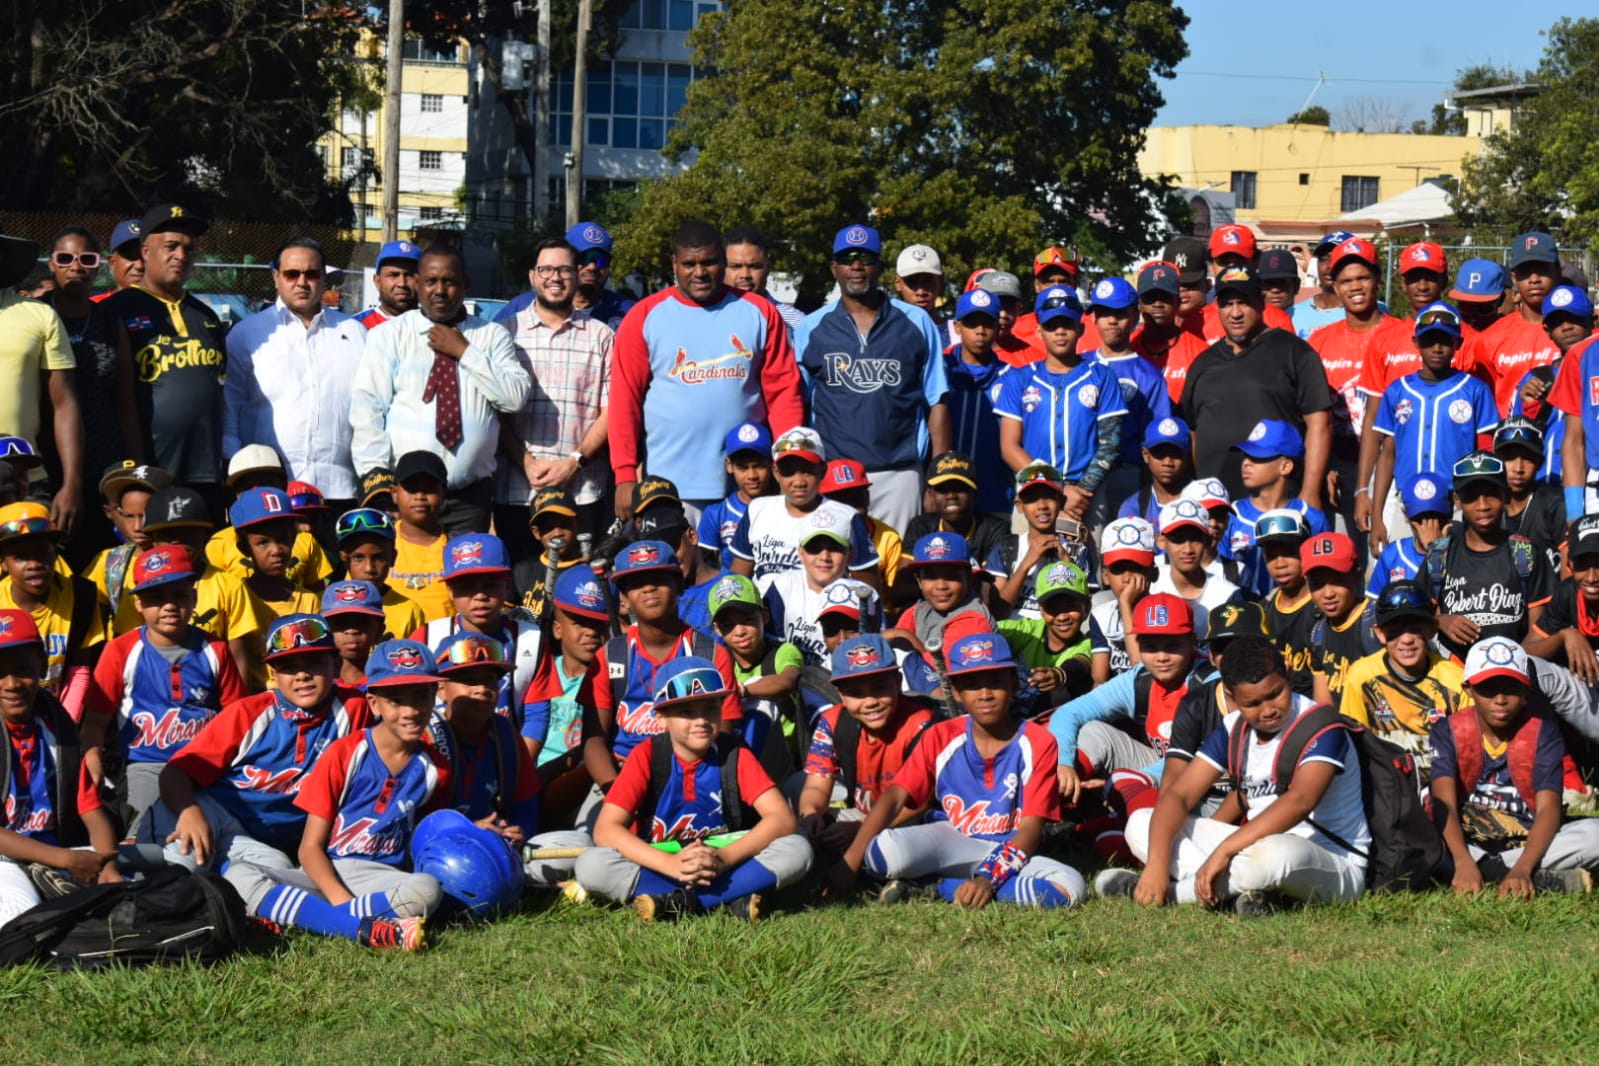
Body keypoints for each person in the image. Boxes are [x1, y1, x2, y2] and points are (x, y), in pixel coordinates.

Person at [1111, 636, 1370, 911]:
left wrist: (1223, 850)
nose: (1268, 710)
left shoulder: (1323, 725)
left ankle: (1175, 893)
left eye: (1275, 694)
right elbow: (1180, 795)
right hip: (1252, 845)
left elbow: (1300, 800)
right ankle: (1238, 891)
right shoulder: (1233, 727)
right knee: (1141, 822)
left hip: (1333, 861)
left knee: (1276, 855)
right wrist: (1157, 864)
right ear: (1232, 696)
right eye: (1253, 703)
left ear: (1288, 676)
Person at [832, 632, 1086, 908]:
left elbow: (1031, 828)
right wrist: (850, 861)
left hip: (1013, 847)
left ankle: (938, 886)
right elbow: (895, 796)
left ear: (1014, 683)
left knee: (1069, 888)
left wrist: (988, 879)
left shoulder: (1038, 740)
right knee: (881, 852)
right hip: (953, 840)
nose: (985, 694)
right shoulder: (941, 735)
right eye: (971, 685)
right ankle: (960, 883)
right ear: (955, 691)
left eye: (995, 682)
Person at [224, 638, 447, 951]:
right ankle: (363, 928)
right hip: (324, 873)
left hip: (381, 878)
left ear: (435, 696)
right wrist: (341, 900)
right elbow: (309, 849)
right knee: (239, 874)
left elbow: (426, 839)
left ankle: (311, 918)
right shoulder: (345, 753)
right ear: (374, 704)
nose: (410, 711)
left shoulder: (435, 768)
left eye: (421, 697)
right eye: (396, 701)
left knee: (427, 889)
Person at [574, 656, 811, 921]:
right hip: (663, 862)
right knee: (591, 865)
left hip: (723, 861)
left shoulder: (734, 753)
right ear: (661, 718)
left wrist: (723, 858)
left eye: (710, 708)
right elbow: (605, 830)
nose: (701, 720)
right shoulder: (646, 755)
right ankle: (728, 898)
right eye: (687, 712)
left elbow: (781, 818)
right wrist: (671, 864)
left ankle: (674, 902)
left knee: (797, 848)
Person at [145, 615, 371, 881]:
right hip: (209, 811)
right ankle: (120, 871)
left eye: (314, 662)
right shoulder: (248, 712)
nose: (302, 675)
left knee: (276, 873)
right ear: (273, 674)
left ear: (336, 665)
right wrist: (190, 813)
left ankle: (215, 874)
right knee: (181, 867)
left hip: (254, 841)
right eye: (289, 667)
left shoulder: (353, 709)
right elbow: (175, 772)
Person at [610, 220, 803, 522]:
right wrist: (624, 474)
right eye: (689, 264)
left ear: (723, 261)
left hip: (747, 484)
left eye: (709, 262)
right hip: (668, 487)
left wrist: (788, 460)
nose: (699, 272)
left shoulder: (759, 312)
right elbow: (625, 401)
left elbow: (783, 394)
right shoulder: (643, 317)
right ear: (674, 264)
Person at [349, 245, 530, 535]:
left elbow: (515, 398)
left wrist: (465, 352)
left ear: (465, 283)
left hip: (469, 499)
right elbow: (368, 407)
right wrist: (377, 476)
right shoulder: (390, 335)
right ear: (418, 284)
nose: (440, 291)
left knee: (467, 566)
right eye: (431, 281)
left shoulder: (491, 336)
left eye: (449, 281)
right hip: (407, 496)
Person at [795, 223, 950, 531]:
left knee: (899, 560)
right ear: (834, 268)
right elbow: (798, 404)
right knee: (835, 557)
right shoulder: (810, 328)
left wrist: (938, 479)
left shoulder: (916, 321)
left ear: (879, 266)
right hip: (834, 471)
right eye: (847, 258)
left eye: (865, 258)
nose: (856, 266)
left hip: (899, 471)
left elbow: (938, 401)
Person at [82, 546, 245, 827]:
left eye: (179, 595)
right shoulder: (121, 650)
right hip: (145, 763)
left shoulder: (215, 649)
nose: (169, 605)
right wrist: (92, 756)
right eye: (156, 598)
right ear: (138, 605)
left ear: (194, 598)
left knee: (218, 828)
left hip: (206, 764)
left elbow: (236, 717)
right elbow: (95, 720)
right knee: (146, 832)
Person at [1431, 637, 1599, 896]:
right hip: (1468, 841)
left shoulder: (1543, 731)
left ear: (1525, 692)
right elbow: (1445, 805)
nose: (1500, 699)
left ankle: (1492, 871)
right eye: (1488, 688)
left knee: (1593, 835)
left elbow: (1549, 809)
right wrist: (1463, 860)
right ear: (1468, 689)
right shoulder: (1449, 730)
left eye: (1510, 688)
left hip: (1526, 841)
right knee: (1423, 836)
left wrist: (1522, 868)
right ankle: (1497, 871)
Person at [580, 541, 742, 804]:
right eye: (636, 584)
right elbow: (593, 740)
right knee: (595, 830)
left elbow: (722, 737)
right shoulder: (610, 657)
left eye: (659, 579)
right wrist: (619, 792)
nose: (648, 588)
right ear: (624, 598)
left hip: (696, 776)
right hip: (620, 778)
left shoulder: (710, 655)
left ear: (679, 585)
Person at [224, 237, 366, 511]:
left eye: (312, 274)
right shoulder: (247, 335)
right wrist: (233, 469)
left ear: (324, 278)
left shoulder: (355, 333)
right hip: (267, 491)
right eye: (292, 274)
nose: (302, 282)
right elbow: (230, 407)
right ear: (276, 277)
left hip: (339, 489)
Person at [0, 610, 122, 928]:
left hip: (58, 850)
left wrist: (108, 866)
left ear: (42, 666)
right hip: (6, 860)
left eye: (23, 669)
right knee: (19, 919)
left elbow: (89, 807)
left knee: (142, 878)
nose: (11, 684)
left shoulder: (56, 726)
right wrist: (65, 860)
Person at [102, 205, 226, 512]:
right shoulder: (115, 311)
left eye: (189, 248)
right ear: (145, 252)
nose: (181, 256)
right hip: (150, 469)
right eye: (171, 246)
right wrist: (134, 465)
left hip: (206, 470)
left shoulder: (206, 315)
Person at [1182, 265, 1333, 507]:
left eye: (1243, 302)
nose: (1235, 313)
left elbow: (1320, 423)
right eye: (1227, 304)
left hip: (1277, 505)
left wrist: (1310, 491)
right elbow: (1193, 432)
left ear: (1262, 302)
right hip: (1214, 508)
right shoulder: (1202, 363)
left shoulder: (1295, 353)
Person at [498, 236, 613, 555]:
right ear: (532, 276)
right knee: (520, 584)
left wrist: (573, 462)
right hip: (518, 490)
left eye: (564, 269)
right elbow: (493, 412)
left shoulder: (602, 336)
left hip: (582, 491)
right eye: (546, 269)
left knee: (579, 582)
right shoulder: (505, 332)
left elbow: (611, 411)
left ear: (576, 275)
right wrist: (525, 462)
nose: (555, 277)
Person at [1053, 593, 1213, 812]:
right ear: (1138, 644)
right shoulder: (1141, 677)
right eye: (1151, 646)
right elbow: (1069, 713)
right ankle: (1059, 801)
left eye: (1172, 645)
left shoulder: (1210, 682)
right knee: (1092, 731)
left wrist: (1133, 780)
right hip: (1159, 765)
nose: (1161, 656)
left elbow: (1202, 759)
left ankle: (1114, 819)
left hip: (1205, 787)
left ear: (1192, 641)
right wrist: (1063, 763)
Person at [797, 634, 934, 882]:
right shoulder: (832, 721)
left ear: (898, 682)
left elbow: (921, 804)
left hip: (910, 821)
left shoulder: (922, 723)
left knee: (893, 851)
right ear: (841, 695)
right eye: (856, 693)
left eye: (880, 688)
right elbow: (816, 786)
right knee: (797, 821)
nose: (870, 702)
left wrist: (859, 831)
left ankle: (894, 875)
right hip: (863, 814)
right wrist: (812, 814)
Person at [41, 226, 141, 562]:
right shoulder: (37, 315)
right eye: (65, 258)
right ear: (51, 264)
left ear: (99, 266)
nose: (76, 267)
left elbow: (125, 403)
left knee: (101, 557)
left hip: (103, 460)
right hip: (47, 462)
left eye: (86, 259)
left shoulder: (109, 321)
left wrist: (135, 470)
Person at [1368, 304, 1498, 553]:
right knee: (1406, 566)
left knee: (1455, 567)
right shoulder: (1398, 389)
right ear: (1416, 342)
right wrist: (1377, 518)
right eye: (1429, 340)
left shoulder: (1475, 389)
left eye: (1445, 341)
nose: (1437, 348)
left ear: (1458, 343)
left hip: (1457, 501)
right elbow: (1387, 454)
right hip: (1406, 503)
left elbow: (1485, 452)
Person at [995, 285, 1127, 526]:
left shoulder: (1102, 376)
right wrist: (1058, 488)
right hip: (1032, 492)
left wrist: (1079, 494)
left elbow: (1110, 444)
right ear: (1039, 331)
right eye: (1051, 325)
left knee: (1088, 552)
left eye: (1067, 324)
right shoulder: (1019, 378)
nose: (1060, 332)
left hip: (1085, 496)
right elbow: (1009, 447)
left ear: (1081, 328)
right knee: (1028, 550)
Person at [1417, 452, 1553, 661]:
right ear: (1457, 500)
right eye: (1471, 496)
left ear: (1505, 494)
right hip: (1453, 672)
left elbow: (1539, 631)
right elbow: (1415, 615)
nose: (1483, 505)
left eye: (1491, 494)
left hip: (1511, 671)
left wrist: (1508, 663)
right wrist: (1440, 620)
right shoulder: (1439, 554)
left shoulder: (1526, 553)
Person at [412, 534, 545, 727]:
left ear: (507, 585)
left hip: (509, 742)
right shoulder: (426, 638)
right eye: (467, 586)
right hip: (440, 743)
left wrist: (515, 748)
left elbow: (537, 715)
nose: (480, 595)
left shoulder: (531, 639)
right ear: (450, 590)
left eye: (491, 584)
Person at [727, 427, 878, 592]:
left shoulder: (846, 516)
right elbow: (739, 574)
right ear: (776, 472)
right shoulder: (757, 509)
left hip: (822, 606)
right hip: (764, 607)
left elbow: (867, 584)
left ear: (822, 471)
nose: (798, 482)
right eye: (788, 472)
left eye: (807, 471)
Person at [1339, 580, 1461, 777]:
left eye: (1416, 629)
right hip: (1385, 785)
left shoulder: (1454, 679)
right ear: (1380, 634)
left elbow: (1467, 747)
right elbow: (1354, 742)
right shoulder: (1361, 676)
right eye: (1395, 631)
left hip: (1441, 781)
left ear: (1432, 629)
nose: (1406, 639)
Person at [0, 503, 105, 718]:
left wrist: (64, 724)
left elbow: (79, 671)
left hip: (58, 712)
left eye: (43, 552)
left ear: (56, 553)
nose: (34, 564)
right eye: (20, 556)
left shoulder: (82, 596)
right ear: (3, 563)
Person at [1086, 277, 1171, 519]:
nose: (1112, 320)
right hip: (1079, 474)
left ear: (1135, 315)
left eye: (1120, 313)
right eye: (1104, 313)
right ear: (1094, 318)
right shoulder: (1079, 365)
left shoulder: (1149, 376)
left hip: (1126, 475)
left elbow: (1156, 440)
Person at [1223, 419, 1331, 597]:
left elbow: (1324, 574)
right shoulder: (1229, 515)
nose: (1246, 463)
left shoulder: (1312, 518)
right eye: (1245, 456)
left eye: (1258, 457)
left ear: (1286, 466)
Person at [942, 289, 1013, 515]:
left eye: (988, 323)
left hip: (997, 496)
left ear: (997, 327)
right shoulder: (940, 371)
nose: (980, 331)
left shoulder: (1012, 378)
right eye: (972, 323)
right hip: (946, 496)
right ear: (957, 327)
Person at [495, 221, 636, 331]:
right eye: (584, 258)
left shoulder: (629, 313)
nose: (592, 267)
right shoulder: (521, 308)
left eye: (601, 260)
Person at [1478, 231, 1561, 416]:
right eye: (1525, 272)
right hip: (1509, 432)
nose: (1534, 279)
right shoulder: (1490, 338)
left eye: (1542, 269)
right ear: (1514, 278)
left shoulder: (1574, 331)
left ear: (1558, 272)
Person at [83, 460, 172, 622]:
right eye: (129, 516)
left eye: (145, 516)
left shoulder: (184, 557)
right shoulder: (109, 562)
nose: (137, 527)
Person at [1151, 498, 1242, 650]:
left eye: (1196, 539)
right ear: (1161, 541)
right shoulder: (1151, 585)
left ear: (1208, 540)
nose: (1188, 549)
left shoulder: (1228, 594)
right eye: (1178, 539)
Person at [1301, 532, 1378, 708]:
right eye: (1317, 584)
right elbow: (1324, 707)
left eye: (1337, 581)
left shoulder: (1376, 623)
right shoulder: (1318, 633)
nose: (1328, 594)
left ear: (1357, 575)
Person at [333, 507, 427, 640]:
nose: (369, 568)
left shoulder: (409, 610)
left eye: (378, 557)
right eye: (358, 557)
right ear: (344, 559)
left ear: (393, 558)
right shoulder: (331, 606)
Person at [384, 451, 454, 622]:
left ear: (444, 494)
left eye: (429, 489)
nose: (420, 497)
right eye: (411, 489)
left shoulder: (456, 549)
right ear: (394, 493)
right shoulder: (379, 544)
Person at [697, 422, 774, 572]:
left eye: (759, 466)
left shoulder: (783, 508)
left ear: (771, 464)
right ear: (729, 465)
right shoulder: (716, 514)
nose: (752, 475)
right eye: (743, 467)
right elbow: (706, 571)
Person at [1090, 517, 1157, 683]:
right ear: (1105, 576)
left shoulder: (1162, 612)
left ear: (1153, 573)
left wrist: (1125, 605)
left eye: (1136, 568)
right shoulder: (1102, 615)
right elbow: (1099, 677)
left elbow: (1141, 670)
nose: (1127, 578)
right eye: (1118, 569)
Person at [1132, 261, 1208, 404]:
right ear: (1139, 304)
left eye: (1165, 297)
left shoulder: (1200, 352)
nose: (1158, 304)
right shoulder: (1128, 348)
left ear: (1178, 302)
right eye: (1150, 298)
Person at [1494, 417, 1565, 570]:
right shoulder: (1487, 506)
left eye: (1527, 458)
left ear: (1539, 462)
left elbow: (1569, 563)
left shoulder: (1554, 505)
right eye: (1510, 457)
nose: (1518, 468)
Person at [1367, 472, 1449, 599]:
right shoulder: (1393, 554)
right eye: (1420, 518)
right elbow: (1373, 604)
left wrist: (1436, 553)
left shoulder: (1458, 551)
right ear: (1406, 515)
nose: (1428, 526)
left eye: (1435, 516)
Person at [724, 226, 805, 333]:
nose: (745, 275)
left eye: (754, 266)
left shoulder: (796, 324)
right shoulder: (704, 317)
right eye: (736, 266)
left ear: (768, 268)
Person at [1117, 416, 1192, 527]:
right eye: (1160, 454)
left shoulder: (1204, 500)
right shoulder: (1134, 506)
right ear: (1145, 455)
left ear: (1187, 456)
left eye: (1176, 454)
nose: (1168, 462)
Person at [1289, 231, 1355, 339]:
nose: (1329, 266)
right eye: (1324, 259)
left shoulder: (1373, 312)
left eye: (1338, 259)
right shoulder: (1293, 314)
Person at [321, 580, 386, 686]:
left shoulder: (387, 684)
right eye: (340, 623)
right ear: (324, 630)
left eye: (362, 622)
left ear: (379, 630)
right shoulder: (317, 684)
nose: (352, 631)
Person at [353, 240, 420, 330]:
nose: (402, 283)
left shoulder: (435, 326)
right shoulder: (356, 327)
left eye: (410, 275)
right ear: (377, 281)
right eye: (393, 275)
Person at [893, 243, 946, 328]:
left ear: (940, 282)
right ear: (898, 284)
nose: (921, 292)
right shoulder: (884, 332)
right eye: (912, 282)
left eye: (928, 281)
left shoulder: (957, 333)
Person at [94, 219, 144, 301]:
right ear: (112, 262)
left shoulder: (166, 306)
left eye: (145, 256)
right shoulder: (94, 306)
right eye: (130, 255)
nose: (139, 265)